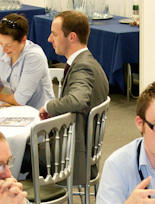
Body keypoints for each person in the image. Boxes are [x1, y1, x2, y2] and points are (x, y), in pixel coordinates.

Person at [39, 10, 109, 182]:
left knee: (13, 156)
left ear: (71, 37)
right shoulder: (88, 62)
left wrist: (48, 106)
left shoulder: (82, 67)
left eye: (54, 34)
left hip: (72, 155)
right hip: (81, 148)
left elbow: (77, 100)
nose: (49, 39)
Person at [0, 14, 54, 110]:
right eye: (1, 43)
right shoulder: (3, 49)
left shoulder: (34, 57)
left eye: (9, 45)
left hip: (40, 113)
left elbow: (20, 100)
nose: (3, 49)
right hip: (17, 109)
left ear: (23, 40)